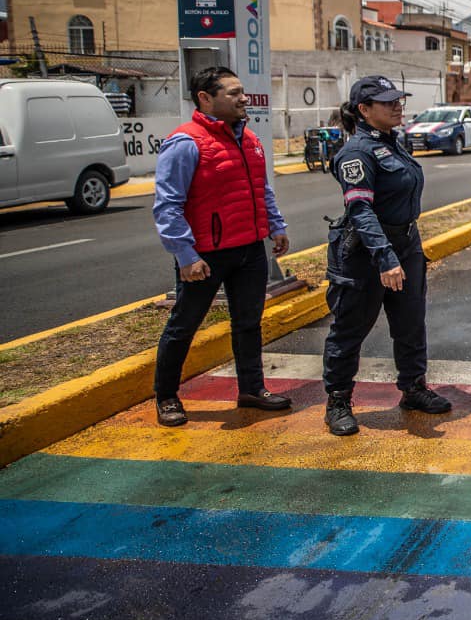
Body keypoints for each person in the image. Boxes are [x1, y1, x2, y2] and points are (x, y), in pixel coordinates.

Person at [150, 66, 291, 427]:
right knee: (184, 326)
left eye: (242, 91)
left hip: (248, 250)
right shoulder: (185, 143)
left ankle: (251, 388)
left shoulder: (249, 139)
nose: (243, 98)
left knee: (248, 324)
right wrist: (185, 255)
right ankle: (166, 396)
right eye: (233, 93)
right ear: (205, 98)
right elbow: (168, 205)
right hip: (205, 257)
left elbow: (261, 189)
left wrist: (275, 226)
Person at [321, 75, 451, 436]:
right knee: (350, 328)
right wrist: (385, 258)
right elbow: (361, 211)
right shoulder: (356, 152)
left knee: (410, 322)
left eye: (398, 100)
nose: (397, 106)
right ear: (364, 110)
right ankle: (338, 401)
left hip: (405, 243)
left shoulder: (394, 143)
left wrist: (405, 251)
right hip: (366, 251)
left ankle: (413, 388)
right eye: (387, 102)